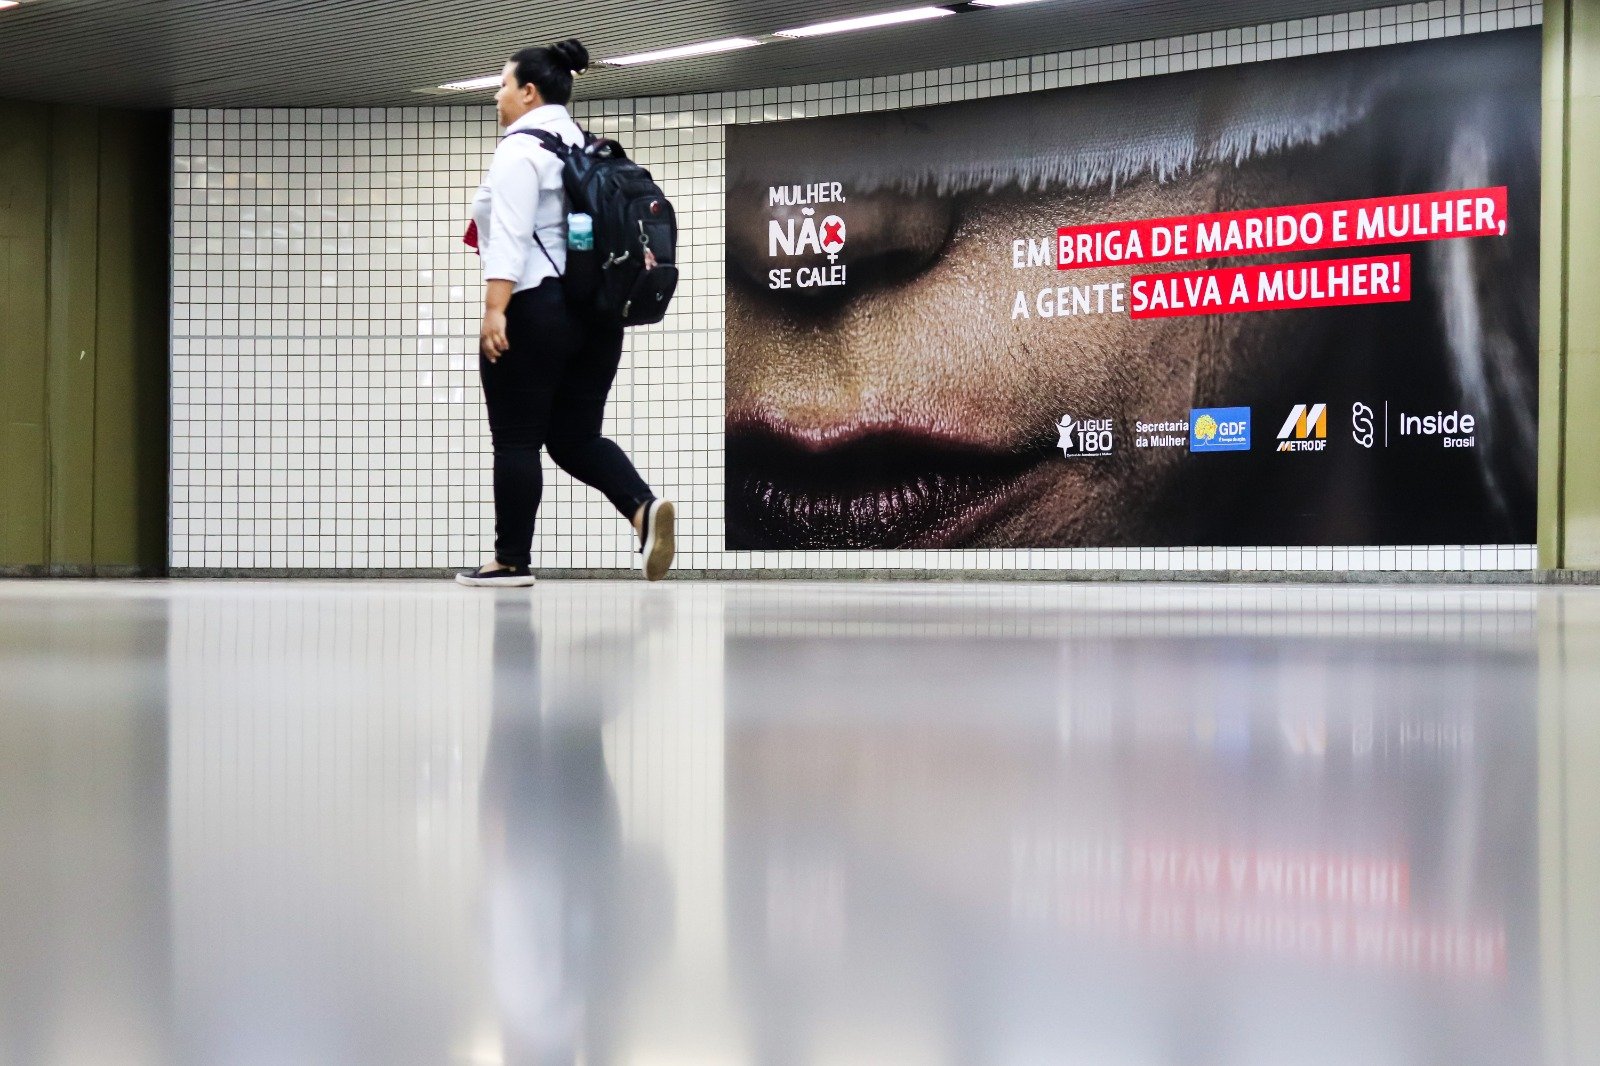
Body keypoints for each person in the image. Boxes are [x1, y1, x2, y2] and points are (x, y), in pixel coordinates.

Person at [460, 38, 674, 587]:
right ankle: (642, 509)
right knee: (575, 437)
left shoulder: (519, 149)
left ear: (529, 92)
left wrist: (494, 310)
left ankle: (510, 560)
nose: (498, 95)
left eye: (503, 85)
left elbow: (508, 237)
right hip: (598, 314)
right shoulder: (584, 147)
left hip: (538, 307)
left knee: (516, 439)